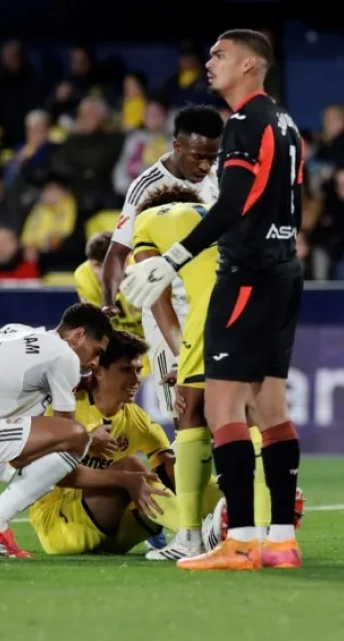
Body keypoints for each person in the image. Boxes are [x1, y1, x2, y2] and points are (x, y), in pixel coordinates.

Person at [122, 30, 305, 571]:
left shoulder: (247, 122)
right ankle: (281, 541)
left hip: (247, 272)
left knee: (223, 405)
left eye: (220, 55)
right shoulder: (287, 123)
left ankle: (241, 540)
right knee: (270, 407)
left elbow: (232, 205)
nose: (209, 62)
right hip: (284, 269)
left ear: (250, 65)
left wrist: (171, 258)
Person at [0, 304, 158, 558]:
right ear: (78, 336)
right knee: (75, 436)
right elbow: (68, 437)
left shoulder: (16, 332)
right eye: (96, 352)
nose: (94, 363)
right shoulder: (65, 356)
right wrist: (92, 442)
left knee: (9, 433)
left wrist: (95, 317)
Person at [131, 184, 289, 561]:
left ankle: (188, 536)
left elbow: (155, 294)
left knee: (191, 415)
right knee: (254, 418)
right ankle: (266, 533)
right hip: (265, 305)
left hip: (218, 309)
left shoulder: (147, 221)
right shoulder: (212, 217)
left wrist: (183, 354)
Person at [30, 331, 221, 556]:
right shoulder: (67, 410)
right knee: (130, 467)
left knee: (173, 471)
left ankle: (230, 523)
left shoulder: (136, 419)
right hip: (61, 526)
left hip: (115, 537)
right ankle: (191, 535)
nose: (136, 379)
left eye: (139, 370)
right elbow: (48, 474)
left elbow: (171, 469)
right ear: (99, 372)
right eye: (126, 370)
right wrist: (120, 476)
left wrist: (221, 495)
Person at [100, 104, 223, 419]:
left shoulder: (224, 173)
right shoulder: (147, 188)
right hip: (169, 308)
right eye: (199, 156)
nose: (206, 164)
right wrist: (107, 303)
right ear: (177, 146)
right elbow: (118, 251)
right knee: (183, 411)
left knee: (227, 404)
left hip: (214, 302)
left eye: (212, 155)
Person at [73, 231, 168, 550]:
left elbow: (159, 309)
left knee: (130, 405)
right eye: (96, 265)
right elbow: (95, 322)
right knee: (111, 400)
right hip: (116, 350)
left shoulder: (140, 272)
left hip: (147, 344)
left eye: (105, 264)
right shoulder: (84, 275)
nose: (99, 272)